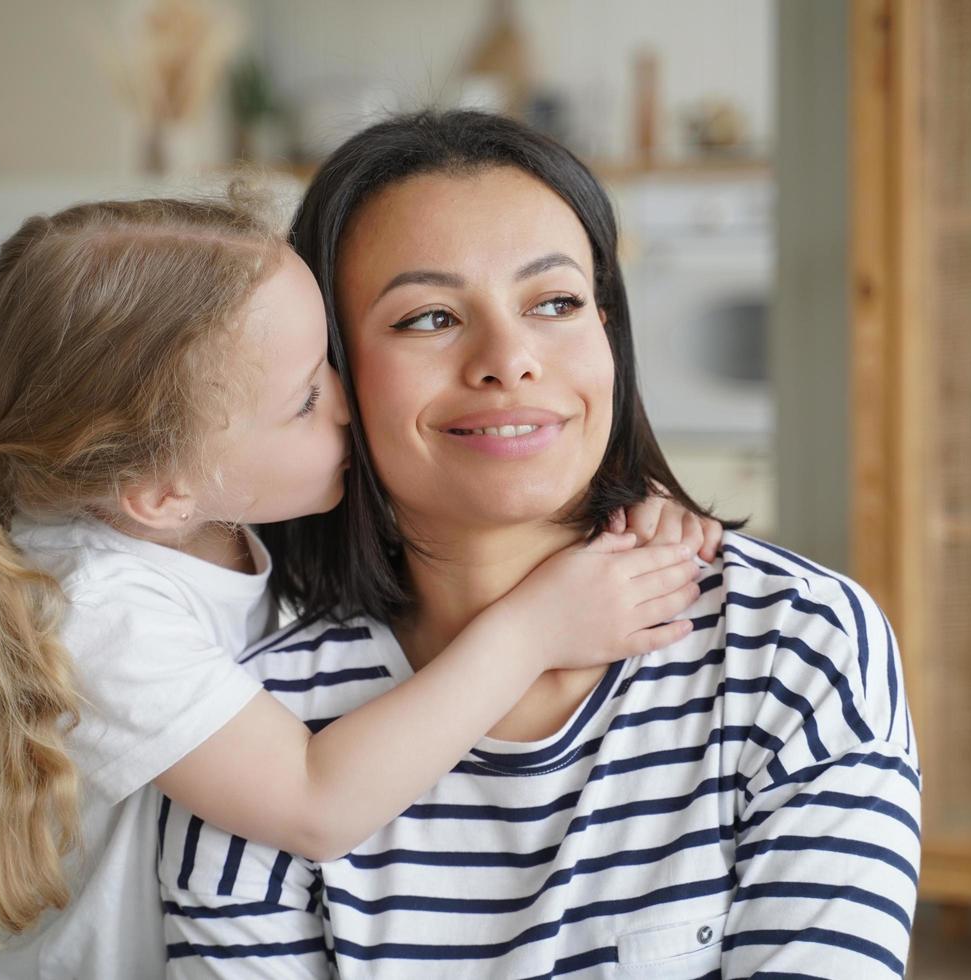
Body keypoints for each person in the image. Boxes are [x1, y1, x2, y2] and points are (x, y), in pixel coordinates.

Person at [0, 196, 721, 978]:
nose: (349, 403)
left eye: (332, 362)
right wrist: (538, 628)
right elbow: (316, 802)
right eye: (307, 397)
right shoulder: (96, 610)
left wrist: (624, 512)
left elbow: (468, 502)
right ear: (163, 493)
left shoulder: (214, 502)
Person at [158, 112, 921, 978]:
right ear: (327, 373)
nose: (509, 359)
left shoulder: (795, 646)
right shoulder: (255, 731)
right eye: (430, 317)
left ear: (607, 333)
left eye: (554, 302)